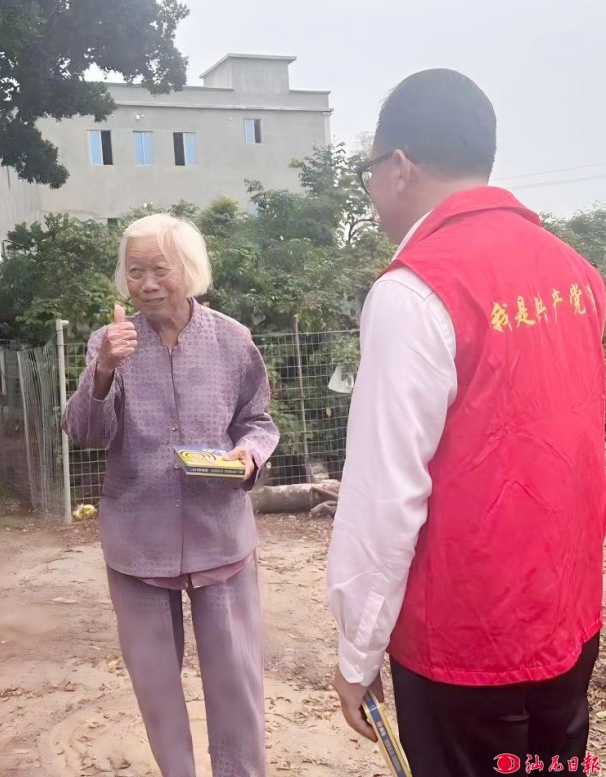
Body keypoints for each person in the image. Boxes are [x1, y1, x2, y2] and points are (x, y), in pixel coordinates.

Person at [326, 69, 605, 777]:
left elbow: (385, 494)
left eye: (369, 170)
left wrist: (358, 652)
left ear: (399, 166)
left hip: (464, 648)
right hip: (568, 622)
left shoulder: (415, 291)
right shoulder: (577, 274)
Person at [63, 213, 279, 777]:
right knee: (157, 689)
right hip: (138, 542)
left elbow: (257, 421)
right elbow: (86, 433)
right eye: (136, 271)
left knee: (236, 684)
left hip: (221, 537)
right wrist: (103, 370)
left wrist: (248, 455)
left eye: (160, 269)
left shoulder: (232, 339)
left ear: (189, 268)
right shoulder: (109, 343)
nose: (148, 283)